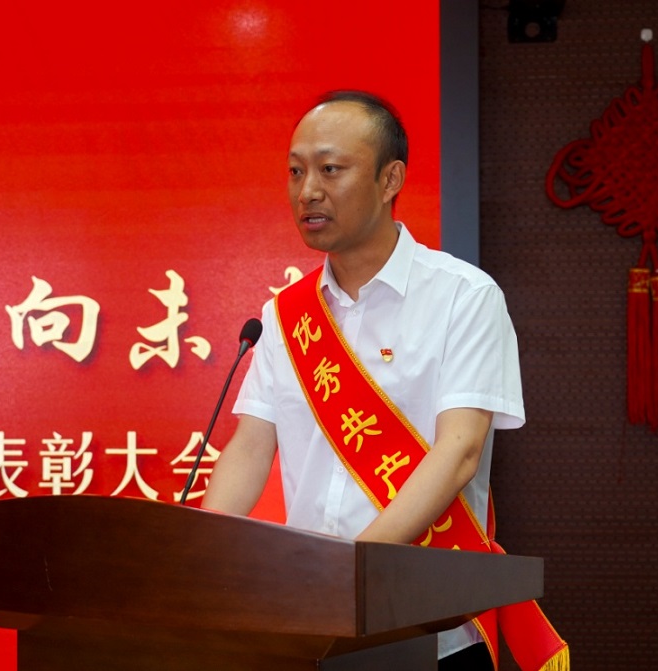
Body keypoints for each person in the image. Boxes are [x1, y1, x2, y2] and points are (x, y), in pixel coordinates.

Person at [202, 90, 526, 670]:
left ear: (389, 179)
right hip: (309, 630)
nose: (307, 191)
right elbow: (250, 448)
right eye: (296, 171)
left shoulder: (464, 296)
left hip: (429, 629)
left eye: (331, 169)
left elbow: (459, 452)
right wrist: (198, 557)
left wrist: (348, 573)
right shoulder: (286, 316)